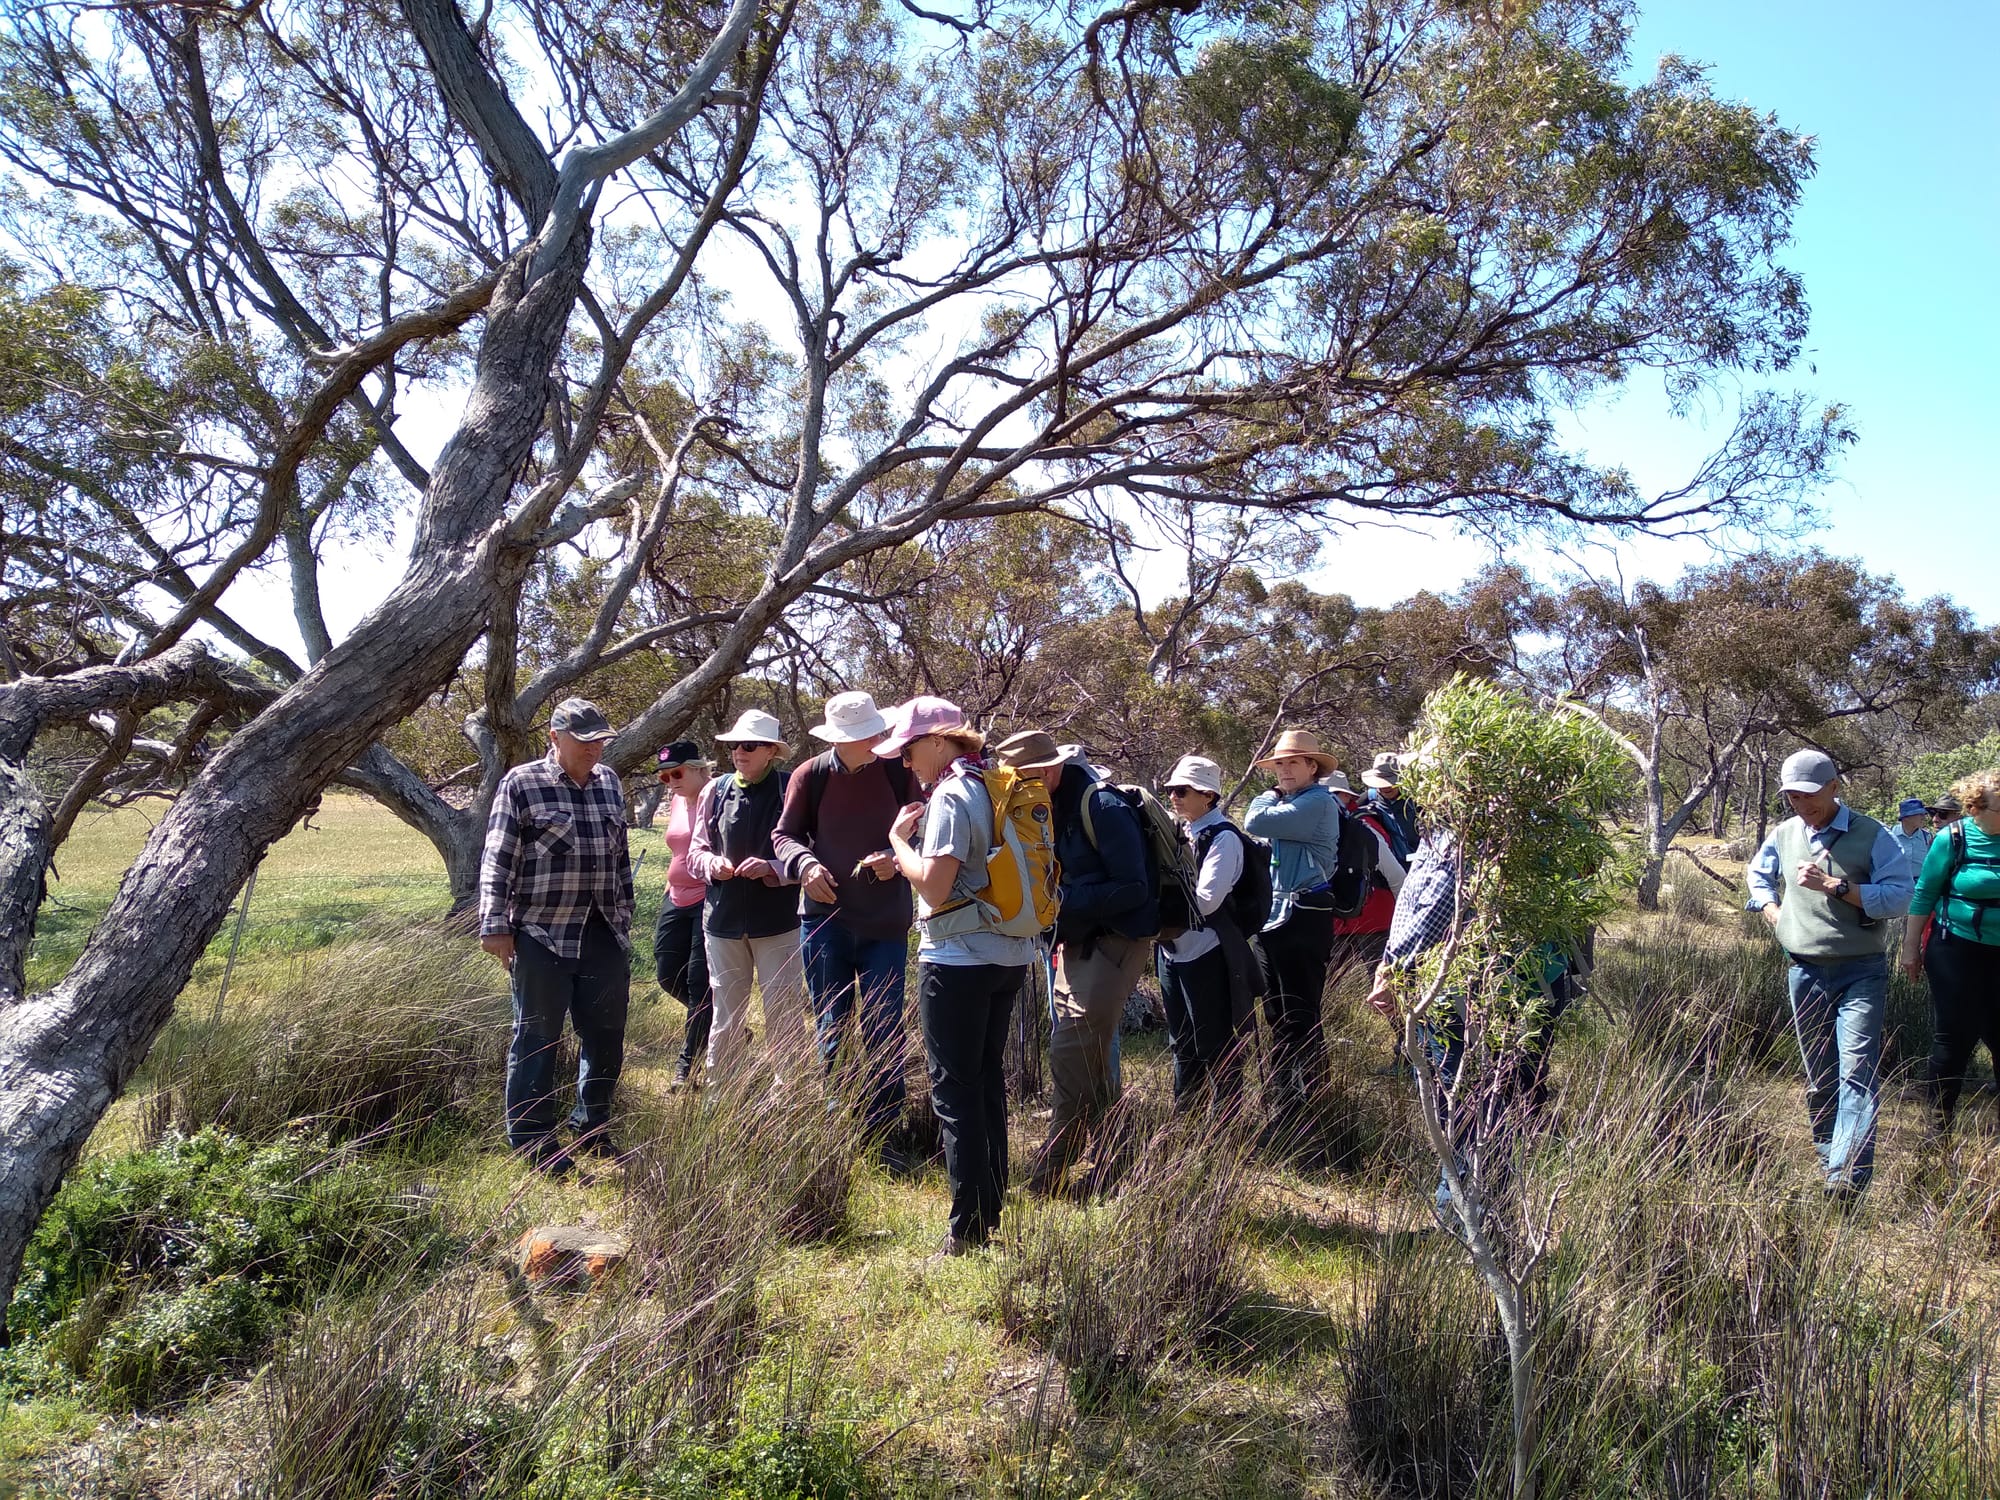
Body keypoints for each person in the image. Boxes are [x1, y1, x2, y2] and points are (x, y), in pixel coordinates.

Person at [879, 697, 1030, 1255]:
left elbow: (935, 887)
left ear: (940, 740)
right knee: (986, 1084)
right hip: (1009, 955)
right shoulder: (995, 782)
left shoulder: (951, 793)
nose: (905, 761)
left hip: (957, 960)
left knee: (955, 1092)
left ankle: (967, 1229)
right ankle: (990, 1211)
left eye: (910, 748)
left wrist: (898, 844)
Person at [992, 730, 1158, 1195]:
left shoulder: (1102, 807)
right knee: (1089, 1063)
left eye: (1022, 779)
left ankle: (1049, 1176)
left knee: (1070, 1053)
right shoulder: (1049, 806)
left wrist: (1059, 901)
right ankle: (1115, 1165)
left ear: (1045, 770)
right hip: (1075, 946)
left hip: (1116, 944)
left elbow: (1133, 888)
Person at [1746, 748, 1914, 1201]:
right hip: (1804, 970)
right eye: (1793, 797)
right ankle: (1829, 1159)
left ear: (1834, 788)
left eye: (1809, 795)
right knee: (1820, 1074)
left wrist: (1837, 887)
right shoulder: (1784, 834)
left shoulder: (1871, 835)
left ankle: (1847, 1178)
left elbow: (1901, 896)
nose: (1802, 805)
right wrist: (1772, 910)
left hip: (1862, 971)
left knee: (1856, 1072)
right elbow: (1758, 875)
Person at [478, 697, 634, 1174]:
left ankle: (592, 1125)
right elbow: (498, 855)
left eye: (601, 740)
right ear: (555, 738)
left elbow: (620, 855)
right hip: (541, 933)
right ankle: (533, 1141)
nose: (594, 749)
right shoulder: (522, 783)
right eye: (584, 741)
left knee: (606, 1035)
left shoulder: (609, 783)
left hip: (603, 929)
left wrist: (625, 914)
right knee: (537, 1037)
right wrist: (495, 924)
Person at [772, 691, 915, 1149]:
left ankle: (885, 1129)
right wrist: (805, 866)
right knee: (831, 1022)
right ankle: (837, 1123)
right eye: (866, 734)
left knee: (884, 1025)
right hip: (823, 920)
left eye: (875, 730)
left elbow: (926, 828)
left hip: (885, 922)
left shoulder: (898, 770)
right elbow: (785, 835)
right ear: (840, 740)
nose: (878, 737)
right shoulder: (810, 774)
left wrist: (895, 857)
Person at [686, 709, 807, 1089]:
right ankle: (720, 1096)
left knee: (783, 1013)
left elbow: (809, 852)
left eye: (750, 745)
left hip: (778, 924)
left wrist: (772, 868)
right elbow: (695, 853)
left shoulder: (791, 790)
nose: (740, 751)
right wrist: (712, 864)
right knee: (726, 1015)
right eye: (735, 744)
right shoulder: (715, 790)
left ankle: (788, 1099)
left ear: (771, 750)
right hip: (721, 923)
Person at [1245, 729, 1343, 1134]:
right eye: (1279, 764)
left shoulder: (1319, 802)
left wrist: (1268, 796)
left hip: (1304, 916)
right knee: (1276, 1013)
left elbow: (1253, 819)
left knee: (1299, 1014)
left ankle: (1307, 1111)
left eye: (1293, 763)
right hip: (1276, 916)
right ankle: (1286, 1100)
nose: (1284, 770)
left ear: (1312, 767)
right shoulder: (1292, 801)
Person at [1157, 754, 1259, 1114]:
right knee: (1181, 1040)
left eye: (1183, 791)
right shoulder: (1179, 831)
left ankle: (1226, 1124)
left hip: (1208, 951)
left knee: (1213, 1041)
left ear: (1209, 796)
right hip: (1172, 951)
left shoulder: (1224, 838)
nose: (1174, 797)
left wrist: (1155, 915)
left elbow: (1207, 901)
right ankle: (1186, 1117)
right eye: (1171, 790)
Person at [1901, 769, 2000, 1134]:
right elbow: (1925, 892)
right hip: (1955, 948)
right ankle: (1937, 1129)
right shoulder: (1953, 838)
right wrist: (1910, 949)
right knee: (1954, 1037)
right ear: (1978, 807)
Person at [652, 740, 714, 1090]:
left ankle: (686, 1068)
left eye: (676, 773)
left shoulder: (717, 795)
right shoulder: (676, 800)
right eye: (664, 776)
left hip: (708, 897)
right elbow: (677, 848)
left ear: (698, 768)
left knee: (697, 983)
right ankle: (720, 1022)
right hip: (674, 898)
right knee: (665, 973)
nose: (670, 781)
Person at [1324, 769, 1407, 986]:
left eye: (1335, 794)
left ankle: (1403, 1021)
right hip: (1337, 922)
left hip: (1375, 920)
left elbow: (1396, 876)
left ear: (1349, 797)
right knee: (1326, 986)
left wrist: (1405, 922)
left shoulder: (1364, 828)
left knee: (1387, 989)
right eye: (1323, 793)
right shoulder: (1318, 829)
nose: (1328, 799)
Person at [1363, 752, 1420, 863]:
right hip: (1389, 868)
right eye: (1381, 783)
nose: (1385, 787)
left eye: (1390, 782)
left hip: (1419, 862)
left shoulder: (1416, 800)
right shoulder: (1369, 798)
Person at [1891, 797, 1934, 878]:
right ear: (1906, 817)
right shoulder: (1889, 835)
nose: (1924, 818)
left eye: (1924, 814)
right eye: (1920, 814)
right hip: (1896, 884)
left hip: (1919, 885)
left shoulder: (1928, 837)